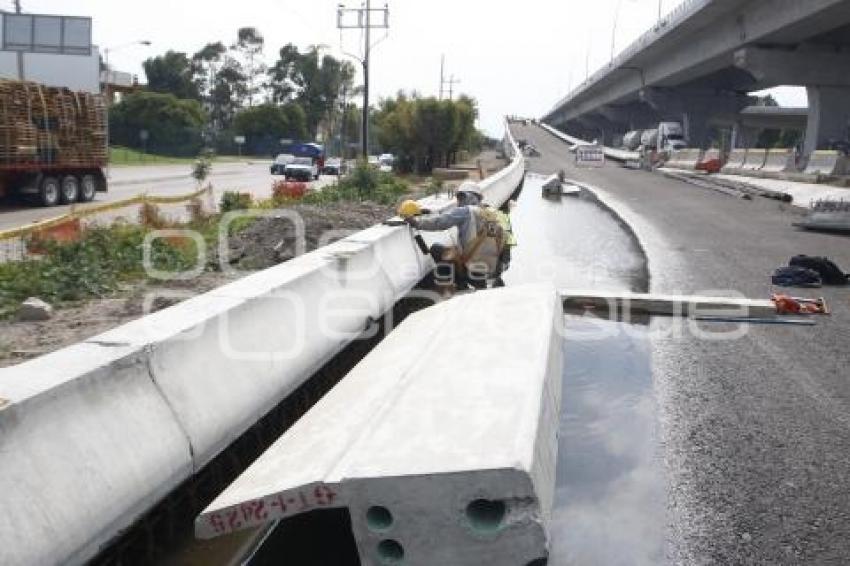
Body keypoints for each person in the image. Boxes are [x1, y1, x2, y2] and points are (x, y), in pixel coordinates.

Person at [403, 182, 516, 291]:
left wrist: (416, 222)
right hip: (494, 272)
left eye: (461, 197)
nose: (459, 201)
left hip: (473, 273)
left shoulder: (466, 211)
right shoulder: (499, 215)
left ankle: (459, 286)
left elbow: (440, 222)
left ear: (467, 196)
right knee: (460, 248)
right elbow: (508, 248)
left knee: (437, 249)